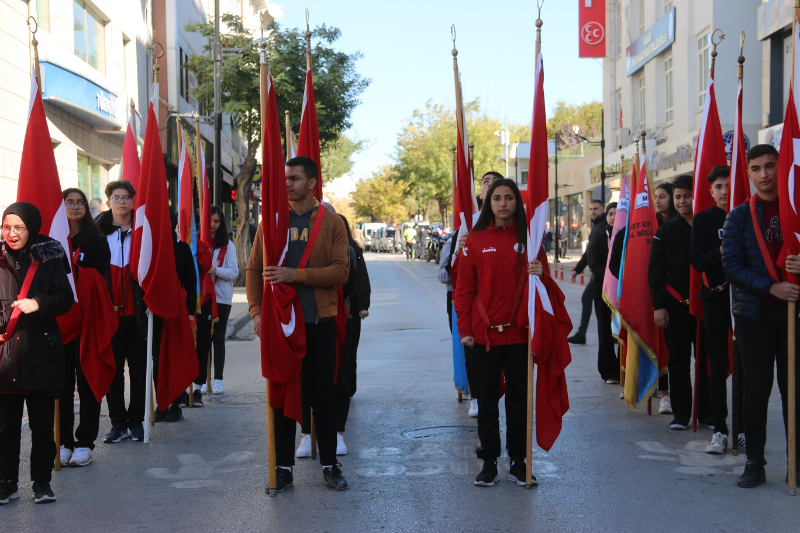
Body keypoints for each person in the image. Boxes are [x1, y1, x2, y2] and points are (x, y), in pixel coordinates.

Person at [246, 156, 350, 492]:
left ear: (312, 183)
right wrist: (256, 311)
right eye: (285, 178)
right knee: (280, 395)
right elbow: (253, 270)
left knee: (322, 395)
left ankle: (330, 465)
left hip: (318, 321)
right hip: (280, 326)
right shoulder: (272, 221)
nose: (286, 183)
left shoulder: (332, 222)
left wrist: (297, 275)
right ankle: (283, 466)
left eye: (294, 178)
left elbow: (340, 271)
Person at [454, 178, 543, 488]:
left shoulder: (529, 240)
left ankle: (519, 461)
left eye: (509, 198)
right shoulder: (475, 241)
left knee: (519, 401)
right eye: (497, 198)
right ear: (488, 203)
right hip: (483, 338)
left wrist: (541, 274)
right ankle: (489, 461)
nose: (503, 203)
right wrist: (465, 329)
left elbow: (543, 291)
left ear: (517, 203)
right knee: (487, 400)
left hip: (520, 336)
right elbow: (463, 291)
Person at [722, 144, 800, 488]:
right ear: (749, 173)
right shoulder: (738, 215)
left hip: (793, 316)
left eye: (771, 166)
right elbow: (732, 267)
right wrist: (772, 288)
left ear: (781, 168)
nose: (764, 174)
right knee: (755, 391)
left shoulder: (796, 209)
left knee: (794, 390)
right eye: (757, 168)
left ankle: (796, 462)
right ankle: (755, 462)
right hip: (754, 316)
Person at [0, 202, 73, 504]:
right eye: (6, 227)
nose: (12, 234)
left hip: (41, 351)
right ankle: (6, 483)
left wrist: (38, 303)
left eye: (19, 228)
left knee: (42, 425)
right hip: (6, 354)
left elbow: (66, 299)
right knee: (5, 427)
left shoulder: (50, 255)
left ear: (31, 228)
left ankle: (42, 483)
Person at [691, 165, 745, 454]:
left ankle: (745, 429)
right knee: (717, 364)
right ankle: (720, 429)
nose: (725, 192)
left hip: (745, 301)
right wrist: (723, 250)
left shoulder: (748, 213)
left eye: (729, 185)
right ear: (711, 191)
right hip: (714, 300)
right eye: (719, 187)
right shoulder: (702, 220)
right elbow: (697, 260)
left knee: (747, 365)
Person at [649, 174, 710, 430]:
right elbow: (655, 271)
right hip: (675, 307)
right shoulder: (666, 231)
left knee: (707, 362)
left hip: (707, 305)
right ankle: (682, 414)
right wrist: (658, 306)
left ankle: (707, 413)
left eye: (687, 195)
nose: (683, 201)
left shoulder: (709, 226)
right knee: (678, 361)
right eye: (678, 197)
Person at [610, 181, 677, 411]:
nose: (657, 201)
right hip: (641, 296)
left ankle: (668, 394)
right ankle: (639, 384)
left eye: (662, 196)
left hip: (671, 296)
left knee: (668, 346)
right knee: (640, 338)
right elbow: (614, 264)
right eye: (653, 197)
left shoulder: (677, 226)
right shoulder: (633, 229)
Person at [58, 189, 111, 468]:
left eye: (80, 203)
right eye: (70, 203)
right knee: (62, 384)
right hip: (60, 319)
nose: (75, 207)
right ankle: (64, 441)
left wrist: (72, 271)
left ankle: (84, 442)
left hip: (87, 320)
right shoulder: (55, 238)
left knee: (87, 380)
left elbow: (98, 278)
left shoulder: (96, 240)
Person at [447, 171, 504, 418]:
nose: (489, 186)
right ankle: (477, 397)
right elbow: (452, 273)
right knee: (475, 356)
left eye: (496, 183)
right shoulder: (468, 225)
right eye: (485, 182)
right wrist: (460, 251)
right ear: (480, 193)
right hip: (475, 308)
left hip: (504, 310)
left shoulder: (514, 228)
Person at [96, 180, 147, 442]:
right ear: (108, 202)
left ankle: (136, 421)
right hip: (109, 317)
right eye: (117, 197)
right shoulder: (97, 233)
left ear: (133, 201)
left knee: (138, 372)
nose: (122, 202)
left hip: (137, 316)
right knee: (112, 372)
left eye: (126, 197)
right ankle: (117, 423)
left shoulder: (143, 230)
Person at [204, 206, 238, 395]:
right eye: (209, 221)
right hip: (203, 297)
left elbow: (234, 272)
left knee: (218, 338)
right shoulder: (198, 243)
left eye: (216, 221)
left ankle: (218, 379)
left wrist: (215, 270)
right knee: (202, 339)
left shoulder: (228, 246)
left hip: (222, 297)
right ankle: (200, 380)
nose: (212, 225)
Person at [588, 202, 618, 383]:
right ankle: (608, 371)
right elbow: (594, 263)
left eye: (617, 214)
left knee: (623, 332)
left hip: (623, 294)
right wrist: (612, 276)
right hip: (602, 292)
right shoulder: (599, 237)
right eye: (611, 214)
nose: (614, 217)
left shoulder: (628, 236)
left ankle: (624, 370)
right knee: (605, 331)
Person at [568, 200, 606, 345]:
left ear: (602, 209)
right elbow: (589, 252)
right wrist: (577, 269)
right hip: (597, 273)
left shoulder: (603, 226)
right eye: (590, 209)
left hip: (602, 273)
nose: (593, 211)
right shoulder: (596, 226)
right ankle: (582, 333)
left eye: (596, 208)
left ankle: (582, 333)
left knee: (589, 299)